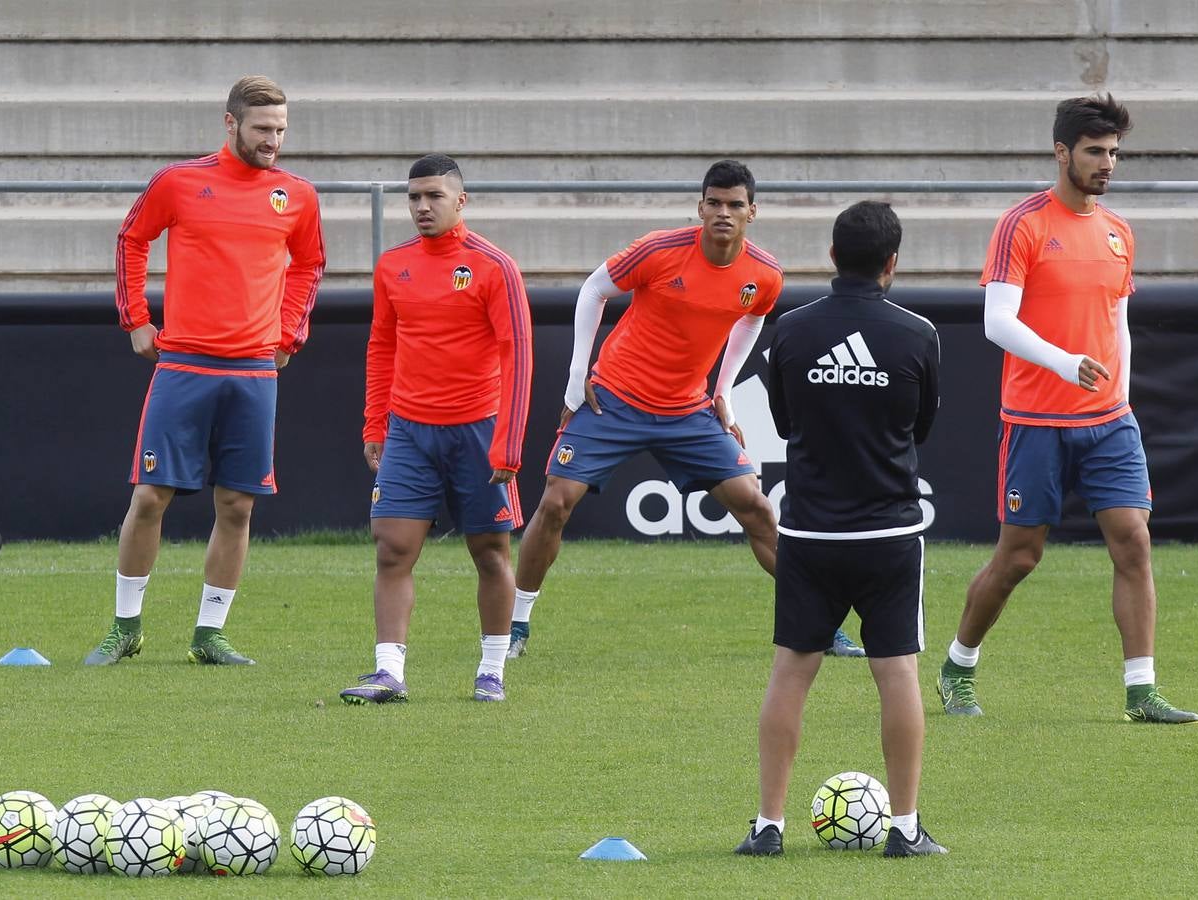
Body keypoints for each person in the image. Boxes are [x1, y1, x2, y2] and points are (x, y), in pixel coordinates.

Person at [508, 160, 865, 659]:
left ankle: (822, 626)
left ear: (752, 212)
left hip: (687, 412)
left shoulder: (764, 274)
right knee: (555, 502)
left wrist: (724, 390)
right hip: (613, 398)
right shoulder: (658, 250)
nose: (724, 212)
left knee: (758, 509)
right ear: (700, 208)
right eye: (714, 203)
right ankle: (515, 629)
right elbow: (593, 290)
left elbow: (751, 321)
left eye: (735, 205)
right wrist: (575, 379)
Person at [936, 94, 1198, 724]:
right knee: (1020, 556)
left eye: (1113, 153)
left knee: (1133, 542)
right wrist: (1063, 362)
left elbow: (1119, 321)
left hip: (1109, 422)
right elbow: (997, 322)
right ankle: (957, 666)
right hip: (1036, 422)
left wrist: (1123, 399)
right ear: (1062, 153)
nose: (1107, 163)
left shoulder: (1118, 231)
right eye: (1094, 152)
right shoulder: (1022, 225)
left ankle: (1141, 690)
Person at [85, 75, 325, 667]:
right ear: (230, 123)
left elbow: (309, 265)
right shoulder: (180, 181)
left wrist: (289, 332)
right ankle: (126, 627)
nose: (274, 141)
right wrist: (136, 320)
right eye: (263, 129)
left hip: (253, 373)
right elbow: (130, 239)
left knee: (238, 505)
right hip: (184, 364)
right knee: (150, 495)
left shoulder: (296, 195)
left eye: (282, 131)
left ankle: (208, 634)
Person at [734, 201, 945, 858]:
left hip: (810, 535)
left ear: (831, 256)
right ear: (892, 263)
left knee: (790, 673)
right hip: (888, 535)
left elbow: (786, 422)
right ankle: (905, 829)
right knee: (899, 674)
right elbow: (921, 427)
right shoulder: (918, 334)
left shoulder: (790, 333)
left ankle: (769, 827)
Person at [340, 154, 533, 704]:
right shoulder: (393, 264)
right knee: (392, 549)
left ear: (460, 201)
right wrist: (375, 421)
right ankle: (388, 673)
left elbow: (516, 354)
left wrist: (509, 438)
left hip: (480, 429)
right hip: (409, 431)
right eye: (413, 197)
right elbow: (382, 346)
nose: (422, 207)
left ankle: (492, 670)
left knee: (491, 552)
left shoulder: (494, 266)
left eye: (434, 197)